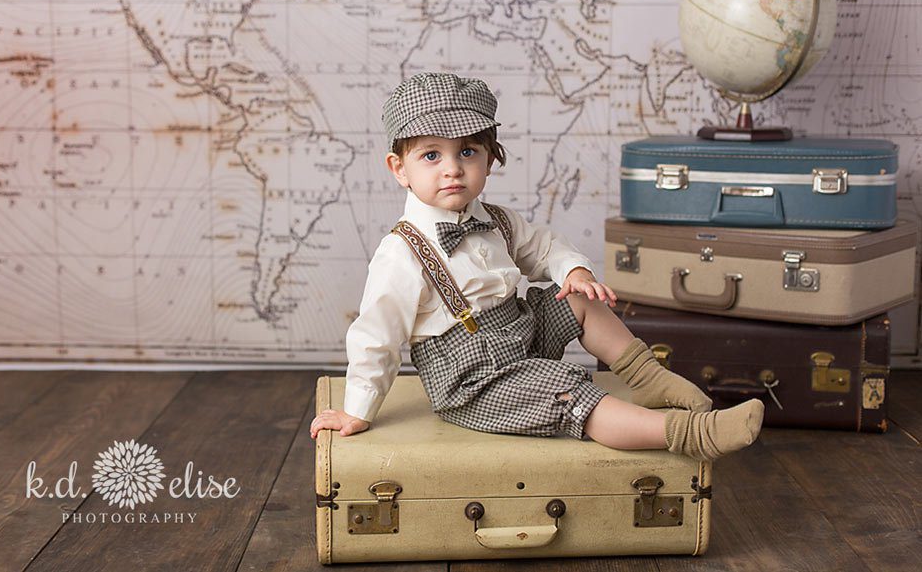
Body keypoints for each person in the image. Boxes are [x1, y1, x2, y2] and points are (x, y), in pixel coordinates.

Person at [309, 72, 763, 461]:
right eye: (431, 155)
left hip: (518, 335)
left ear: (490, 158)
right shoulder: (402, 251)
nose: (452, 169)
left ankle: (648, 379)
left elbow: (544, 248)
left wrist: (573, 272)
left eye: (467, 152)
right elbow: (376, 335)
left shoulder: (497, 219)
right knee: (570, 396)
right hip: (473, 378)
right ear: (399, 168)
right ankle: (689, 436)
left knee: (578, 301)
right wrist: (358, 409)